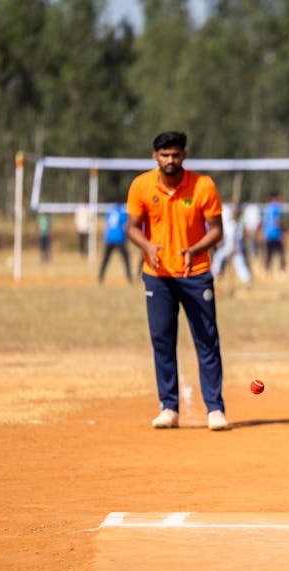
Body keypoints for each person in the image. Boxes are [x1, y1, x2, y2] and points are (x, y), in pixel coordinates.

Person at [126, 131, 229, 431]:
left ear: (184, 156)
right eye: (164, 155)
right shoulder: (141, 186)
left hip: (195, 274)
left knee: (207, 339)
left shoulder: (203, 186)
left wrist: (196, 249)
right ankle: (168, 407)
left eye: (175, 154)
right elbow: (132, 227)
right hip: (157, 276)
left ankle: (215, 409)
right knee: (162, 340)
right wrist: (147, 246)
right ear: (155, 157)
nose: (170, 160)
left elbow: (217, 230)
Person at [211, 202, 252, 287]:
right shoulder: (230, 224)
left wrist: (233, 247)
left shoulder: (236, 225)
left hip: (233, 247)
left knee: (238, 263)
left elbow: (237, 238)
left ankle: (247, 280)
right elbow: (224, 237)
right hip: (229, 247)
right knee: (219, 258)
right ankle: (216, 275)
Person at [98, 203, 131, 284]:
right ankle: (129, 277)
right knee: (126, 258)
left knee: (106, 259)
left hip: (109, 237)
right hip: (119, 237)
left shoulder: (110, 211)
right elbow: (127, 223)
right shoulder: (123, 212)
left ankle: (100, 276)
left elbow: (108, 221)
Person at [262, 192, 286, 273]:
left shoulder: (267, 208)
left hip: (268, 233)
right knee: (281, 251)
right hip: (275, 233)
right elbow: (278, 220)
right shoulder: (276, 207)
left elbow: (264, 221)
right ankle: (282, 268)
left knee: (269, 252)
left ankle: (267, 268)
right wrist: (283, 229)